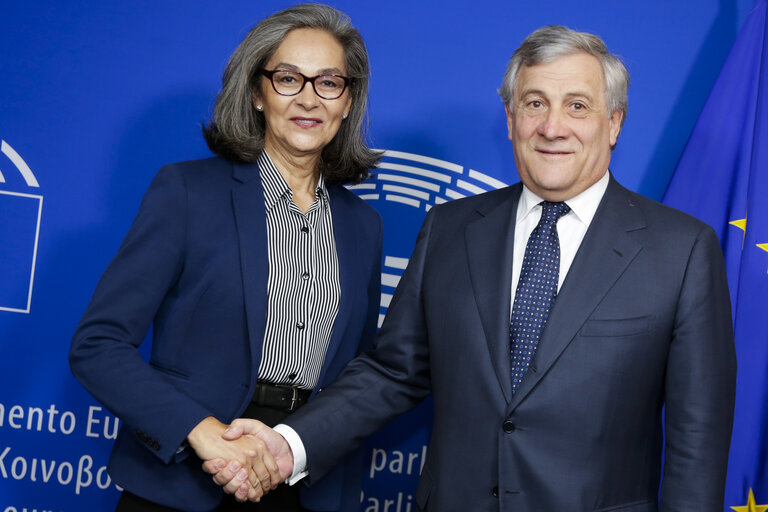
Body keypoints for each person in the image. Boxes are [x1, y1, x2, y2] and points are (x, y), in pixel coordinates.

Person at [207, 25, 737, 511]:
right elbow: (394, 372)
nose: (553, 126)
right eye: (534, 103)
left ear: (614, 122)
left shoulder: (682, 250)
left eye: (578, 105)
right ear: (510, 119)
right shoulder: (450, 230)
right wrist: (287, 445)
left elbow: (699, 439)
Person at [69, 4, 382, 511]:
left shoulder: (363, 226)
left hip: (305, 477)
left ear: (348, 101)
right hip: (184, 476)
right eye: (287, 79)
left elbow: (361, 374)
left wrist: (293, 447)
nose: (308, 98)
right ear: (257, 92)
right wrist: (202, 432)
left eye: (329, 82)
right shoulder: (187, 192)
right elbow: (98, 346)